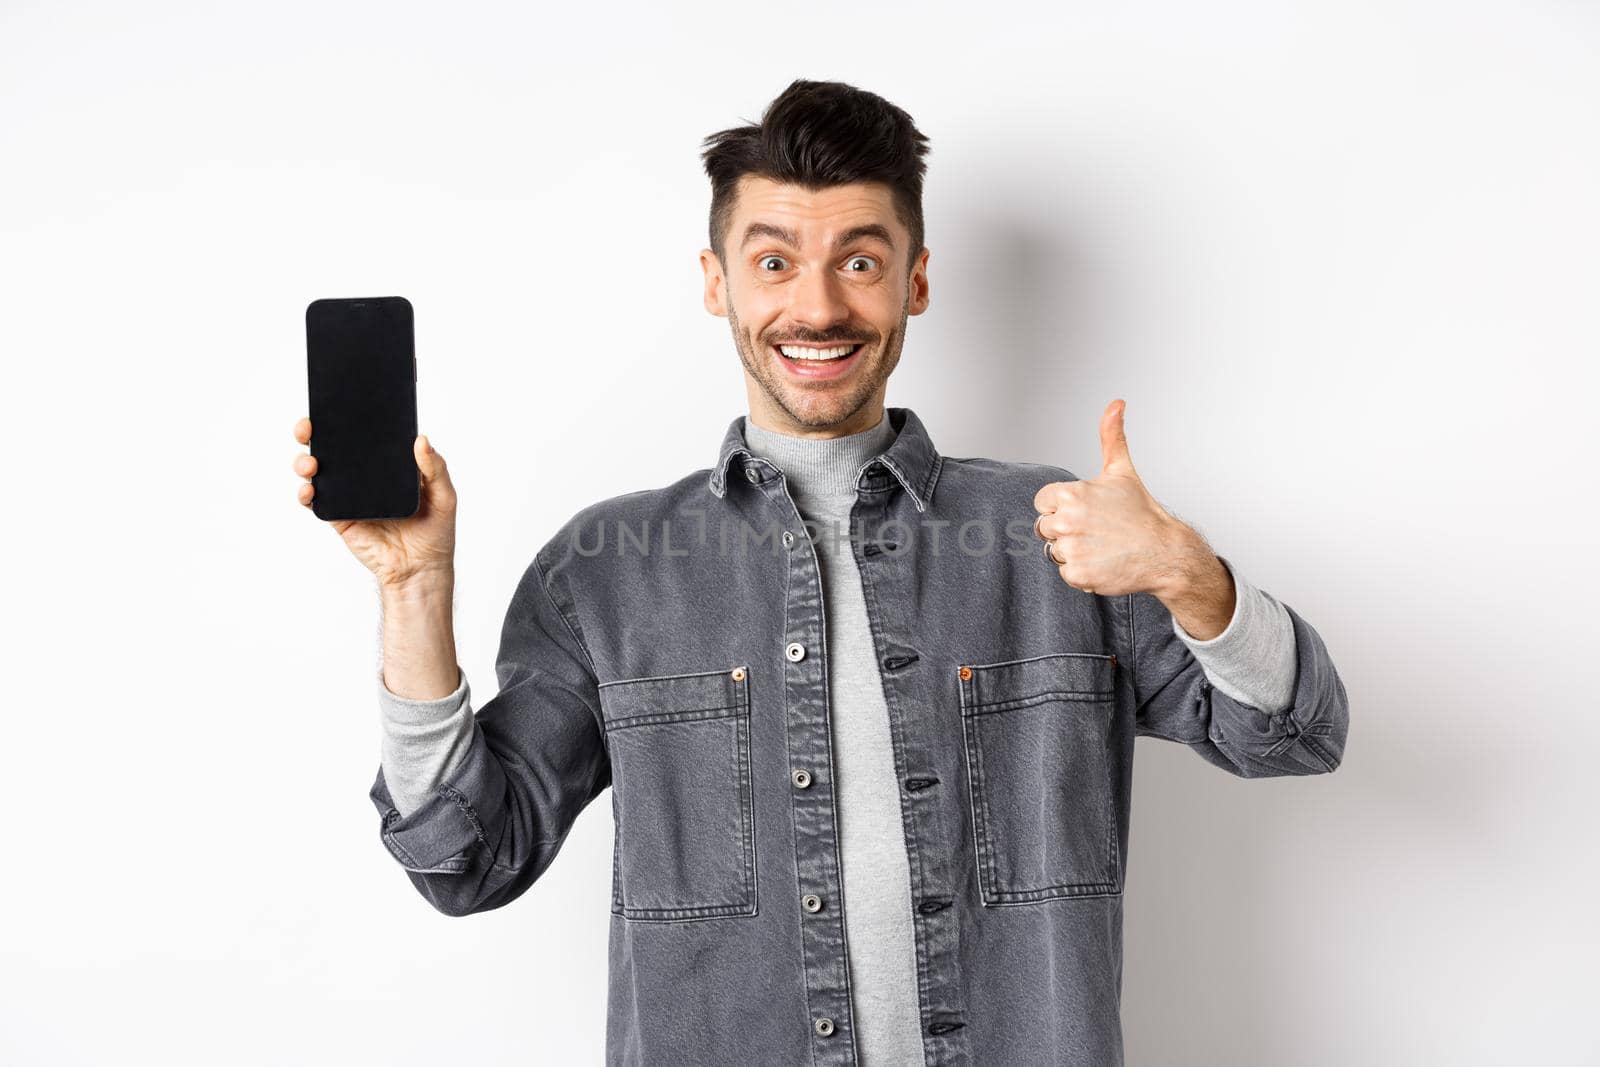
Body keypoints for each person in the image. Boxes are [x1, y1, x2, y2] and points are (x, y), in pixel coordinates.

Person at [290, 78, 1349, 1067]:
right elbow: (467, 860)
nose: (817, 307)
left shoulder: (1059, 535)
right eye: (773, 261)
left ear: (913, 280)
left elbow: (1294, 733)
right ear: (716, 283)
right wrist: (411, 588)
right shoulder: (606, 572)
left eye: (857, 259)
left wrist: (1189, 576)